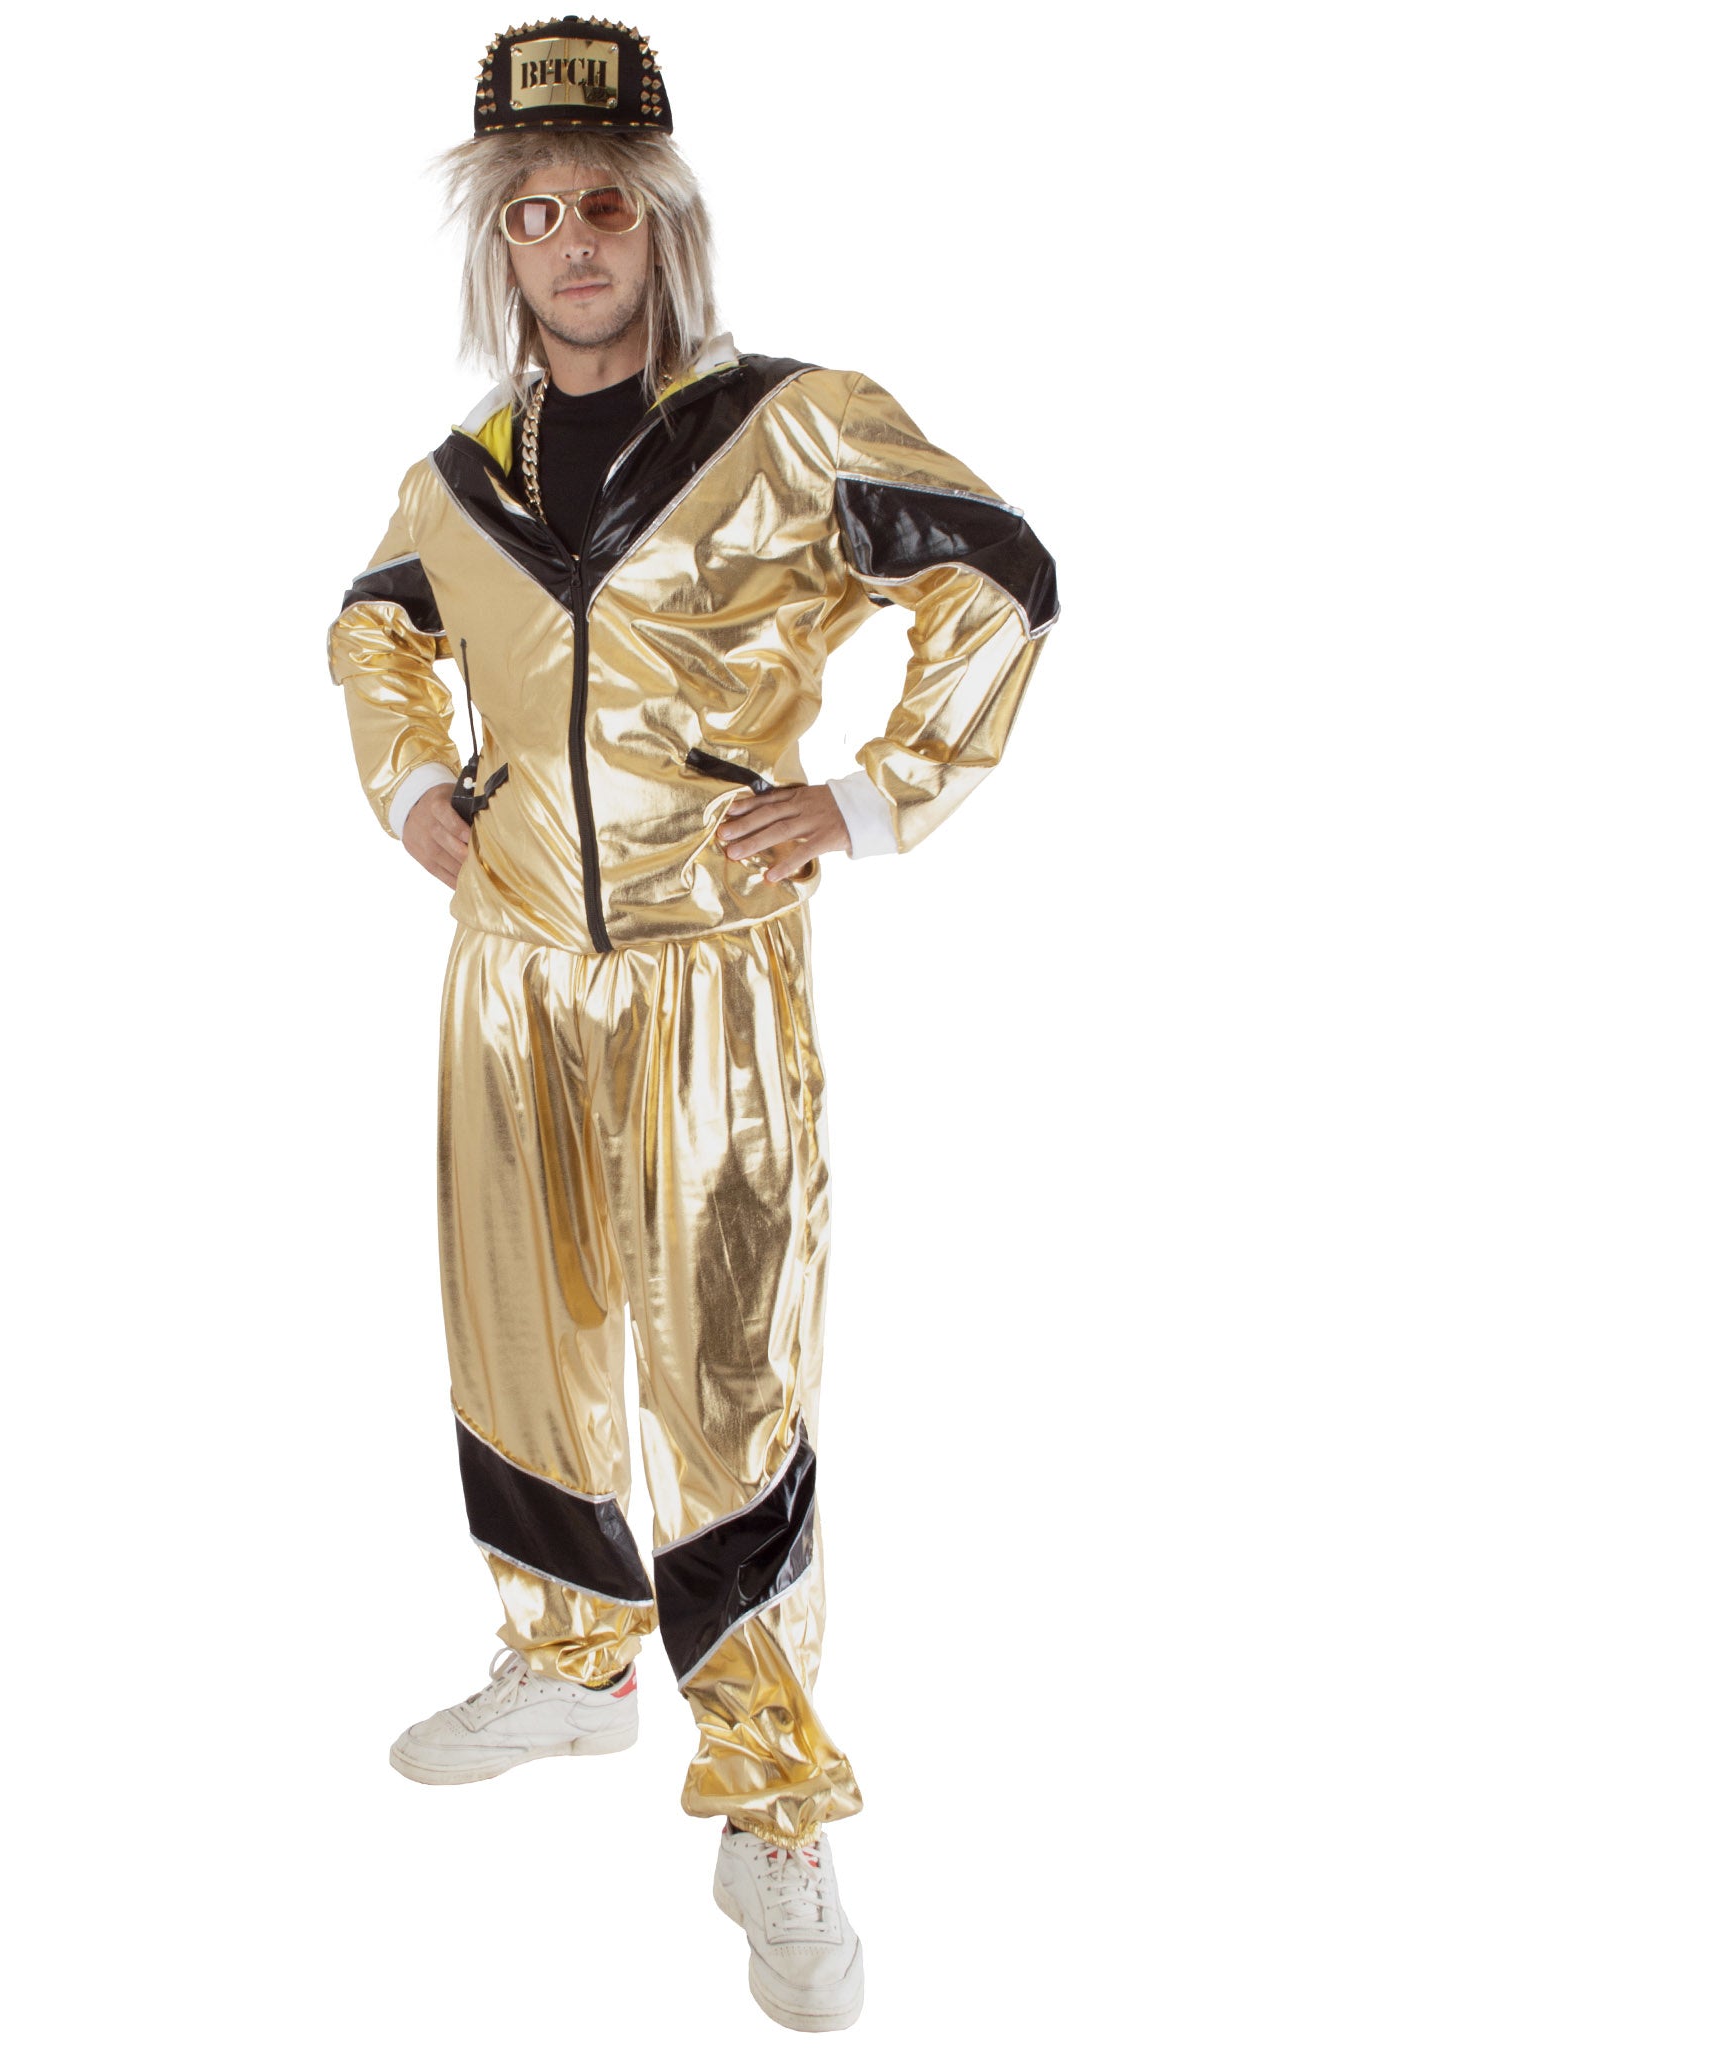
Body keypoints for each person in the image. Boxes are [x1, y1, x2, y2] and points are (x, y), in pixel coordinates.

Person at [326, 18, 1058, 2031]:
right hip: (507, 970)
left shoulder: (789, 427)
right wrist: (414, 790)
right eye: (534, 213)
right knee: (520, 1328)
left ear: (662, 225)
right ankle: (568, 1654)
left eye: (605, 208)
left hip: (706, 975)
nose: (572, 243)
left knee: (725, 1378)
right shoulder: (457, 479)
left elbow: (999, 576)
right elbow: (373, 622)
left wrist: (874, 799)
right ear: (498, 242)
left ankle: (774, 1803)